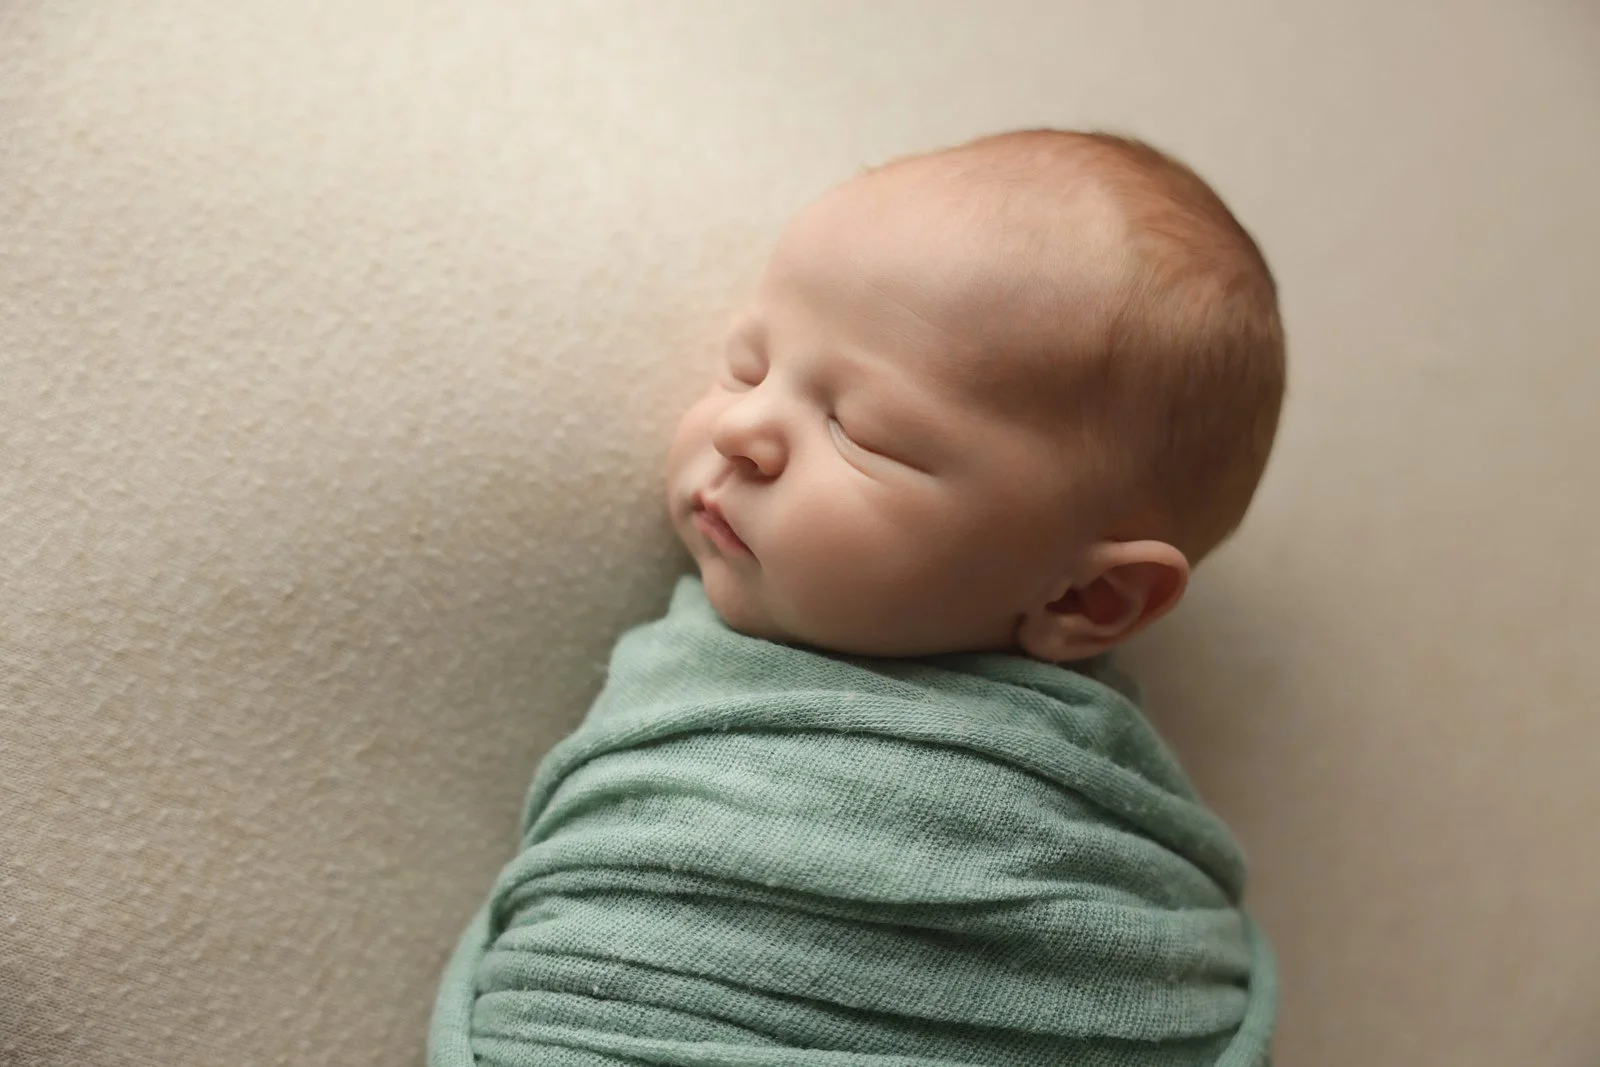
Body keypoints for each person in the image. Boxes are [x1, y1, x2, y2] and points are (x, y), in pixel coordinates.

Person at [431, 128, 1286, 1067]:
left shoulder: (1083, 821)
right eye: (747, 366)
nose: (744, 427)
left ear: (1092, 597)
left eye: (861, 430)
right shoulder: (697, 670)